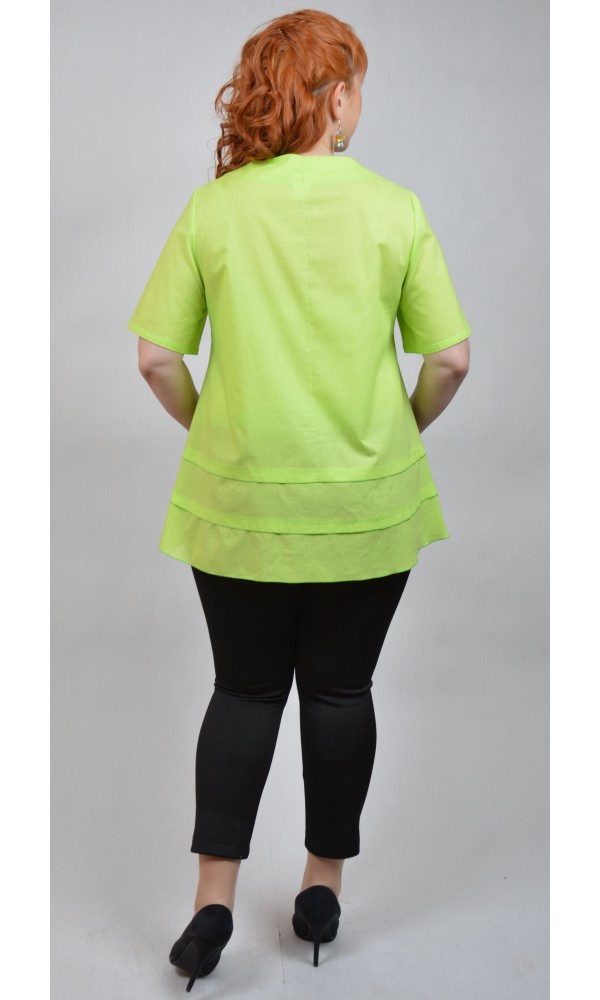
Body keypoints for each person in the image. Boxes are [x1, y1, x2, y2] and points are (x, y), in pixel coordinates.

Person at [128, 8, 471, 992]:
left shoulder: (214, 211)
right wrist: (401, 429)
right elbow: (450, 360)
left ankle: (211, 905)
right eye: (357, 87)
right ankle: (321, 891)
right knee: (340, 692)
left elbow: (155, 358)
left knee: (242, 691)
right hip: (366, 507)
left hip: (238, 506)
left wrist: (211, 429)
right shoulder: (396, 209)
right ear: (339, 96)